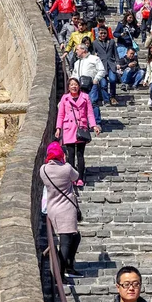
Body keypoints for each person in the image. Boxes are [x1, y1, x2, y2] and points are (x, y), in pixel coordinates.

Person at [40, 142, 82, 282]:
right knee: (65, 242)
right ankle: (60, 274)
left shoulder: (43, 169)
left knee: (74, 237)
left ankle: (67, 267)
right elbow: (76, 177)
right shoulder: (66, 168)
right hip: (66, 209)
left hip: (53, 208)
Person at [55, 77, 100, 186]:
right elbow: (61, 114)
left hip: (81, 128)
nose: (74, 86)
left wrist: (94, 126)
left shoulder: (85, 97)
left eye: (76, 84)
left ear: (79, 86)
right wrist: (58, 128)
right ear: (68, 87)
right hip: (68, 128)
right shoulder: (65, 98)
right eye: (71, 85)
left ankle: (80, 177)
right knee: (70, 155)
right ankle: (72, 178)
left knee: (80, 155)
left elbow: (89, 113)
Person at [72, 44, 105, 127]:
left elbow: (101, 70)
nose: (76, 51)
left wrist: (96, 79)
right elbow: (75, 74)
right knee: (81, 104)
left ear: (83, 50)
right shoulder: (77, 63)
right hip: (80, 86)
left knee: (93, 102)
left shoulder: (94, 59)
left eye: (77, 49)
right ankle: (84, 123)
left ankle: (97, 123)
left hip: (91, 84)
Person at [92, 27, 120, 106]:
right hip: (101, 65)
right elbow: (93, 54)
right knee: (103, 84)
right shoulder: (95, 43)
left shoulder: (111, 41)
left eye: (104, 33)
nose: (103, 34)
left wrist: (117, 63)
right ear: (98, 34)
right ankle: (106, 100)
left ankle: (112, 97)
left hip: (111, 64)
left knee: (113, 79)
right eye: (101, 33)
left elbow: (115, 53)